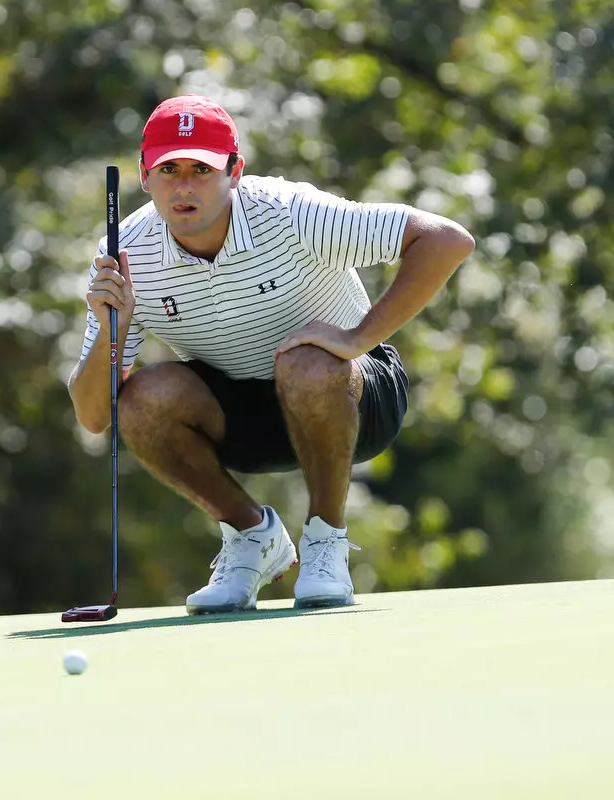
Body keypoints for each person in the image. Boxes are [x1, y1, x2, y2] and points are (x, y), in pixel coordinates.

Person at [67, 94, 475, 613]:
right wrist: (114, 327)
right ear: (145, 176)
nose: (184, 186)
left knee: (305, 362)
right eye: (169, 169)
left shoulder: (289, 212)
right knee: (142, 398)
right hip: (242, 416)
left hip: (352, 397)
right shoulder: (125, 254)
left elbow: (447, 240)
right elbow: (94, 416)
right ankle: (252, 537)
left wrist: (357, 339)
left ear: (234, 171)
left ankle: (325, 542)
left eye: (201, 169)